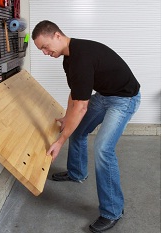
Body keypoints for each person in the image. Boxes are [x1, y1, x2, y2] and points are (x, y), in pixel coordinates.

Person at [32, 20, 141, 233]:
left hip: (124, 99)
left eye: (45, 46)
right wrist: (66, 117)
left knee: (103, 149)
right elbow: (75, 94)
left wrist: (60, 140)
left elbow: (81, 107)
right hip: (105, 95)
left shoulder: (82, 57)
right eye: (40, 50)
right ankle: (77, 172)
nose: (45, 52)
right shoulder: (68, 59)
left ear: (56, 35)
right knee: (78, 130)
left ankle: (113, 211)